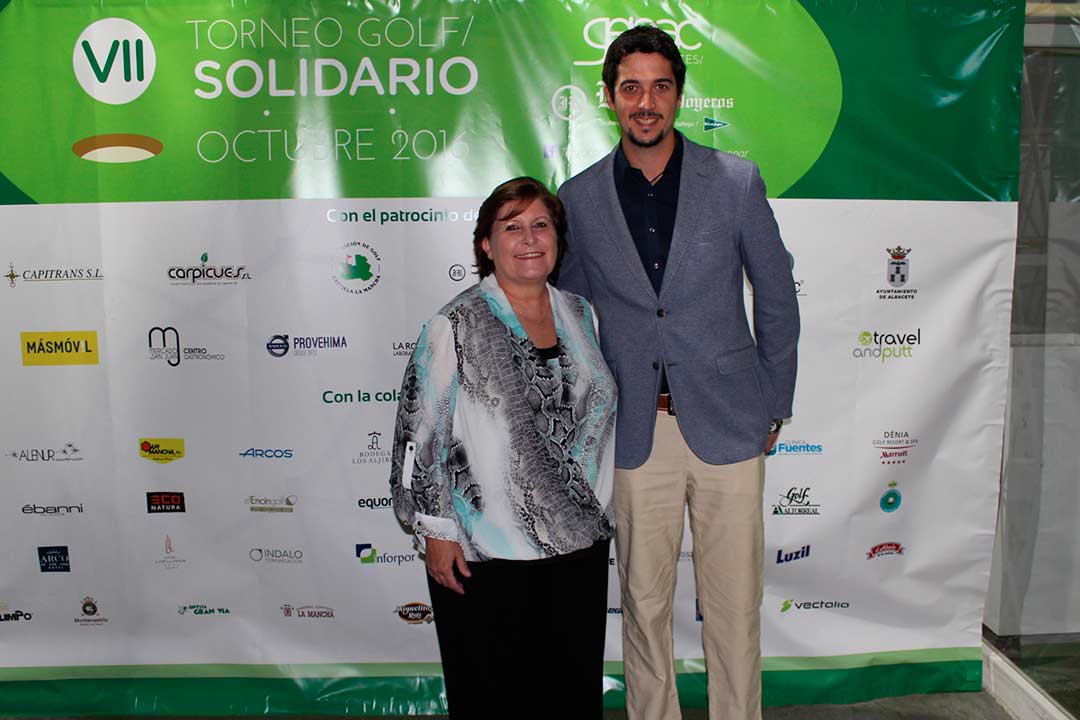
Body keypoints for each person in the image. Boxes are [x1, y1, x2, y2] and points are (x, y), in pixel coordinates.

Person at [556, 25, 800, 720]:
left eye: (660, 86)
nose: (646, 102)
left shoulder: (736, 182)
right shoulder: (579, 197)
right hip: (635, 432)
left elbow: (776, 296)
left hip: (731, 421)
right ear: (609, 97)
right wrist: (587, 416)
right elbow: (571, 319)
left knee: (735, 603)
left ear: (679, 95)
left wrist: (773, 402)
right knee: (643, 603)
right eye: (631, 87)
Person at [388, 177, 618, 719]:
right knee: (493, 698)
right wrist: (436, 532)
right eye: (512, 227)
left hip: (579, 546)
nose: (529, 238)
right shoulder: (455, 323)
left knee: (569, 695)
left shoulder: (581, 314)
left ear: (558, 239)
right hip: (486, 553)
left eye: (541, 225)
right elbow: (419, 434)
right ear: (486, 245)